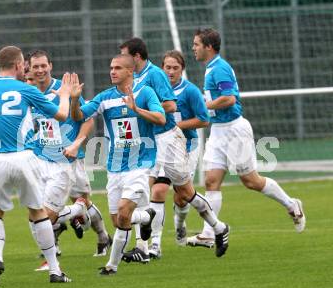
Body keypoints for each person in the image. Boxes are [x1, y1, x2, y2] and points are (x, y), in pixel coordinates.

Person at [188, 28, 306, 247]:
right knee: (211, 181)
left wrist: (204, 106)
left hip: (234, 130)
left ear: (209, 47)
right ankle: (208, 233)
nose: (193, 48)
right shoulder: (211, 68)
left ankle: (292, 205)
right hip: (218, 131)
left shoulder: (220, 69)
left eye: (196, 44)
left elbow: (230, 99)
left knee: (251, 181)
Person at [120, 38, 230, 262]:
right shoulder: (136, 76)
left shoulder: (156, 76)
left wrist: (140, 109)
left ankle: (219, 228)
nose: (169, 71)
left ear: (137, 56)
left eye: (124, 55)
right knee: (151, 190)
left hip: (170, 141)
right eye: (167, 66)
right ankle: (149, 247)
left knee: (185, 194)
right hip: (150, 143)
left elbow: (169, 106)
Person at [0, 45, 72, 285]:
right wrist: (64, 95)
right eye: (25, 66)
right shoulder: (25, 90)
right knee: (38, 212)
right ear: (19, 65)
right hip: (23, 157)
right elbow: (60, 115)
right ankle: (54, 270)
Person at [70, 54, 163, 275]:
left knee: (123, 211)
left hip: (141, 163)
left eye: (118, 68)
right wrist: (75, 99)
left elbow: (161, 118)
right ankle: (147, 216)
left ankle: (111, 266)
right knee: (118, 220)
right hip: (115, 166)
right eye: (111, 67)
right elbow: (78, 117)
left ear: (130, 71)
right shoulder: (105, 98)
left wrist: (136, 109)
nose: (112, 71)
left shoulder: (145, 93)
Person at [28, 50, 111, 263]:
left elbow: (87, 118)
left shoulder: (64, 89)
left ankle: (102, 235)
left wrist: (76, 143)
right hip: (43, 160)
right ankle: (52, 251)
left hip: (70, 159)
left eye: (42, 65)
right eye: (35, 66)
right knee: (44, 208)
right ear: (29, 68)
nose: (39, 70)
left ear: (50, 66)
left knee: (82, 201)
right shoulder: (29, 93)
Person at [150, 50, 210, 254]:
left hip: (186, 146)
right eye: (168, 67)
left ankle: (180, 224)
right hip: (162, 147)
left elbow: (203, 119)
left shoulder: (190, 91)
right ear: (162, 68)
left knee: (181, 197)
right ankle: (155, 245)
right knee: (157, 191)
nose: (171, 71)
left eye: (176, 68)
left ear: (181, 70)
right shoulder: (154, 90)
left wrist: (176, 126)